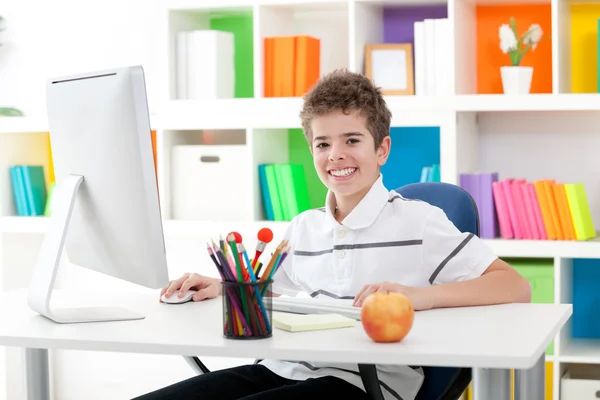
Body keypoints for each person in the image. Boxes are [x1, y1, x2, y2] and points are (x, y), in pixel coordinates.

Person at [133, 69, 531, 400]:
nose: (335, 154)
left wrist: (420, 297)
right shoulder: (305, 226)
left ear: (382, 149)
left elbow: (514, 285)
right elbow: (275, 292)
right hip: (286, 367)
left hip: (365, 384)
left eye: (352, 140)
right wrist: (223, 286)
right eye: (322, 143)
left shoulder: (420, 221)